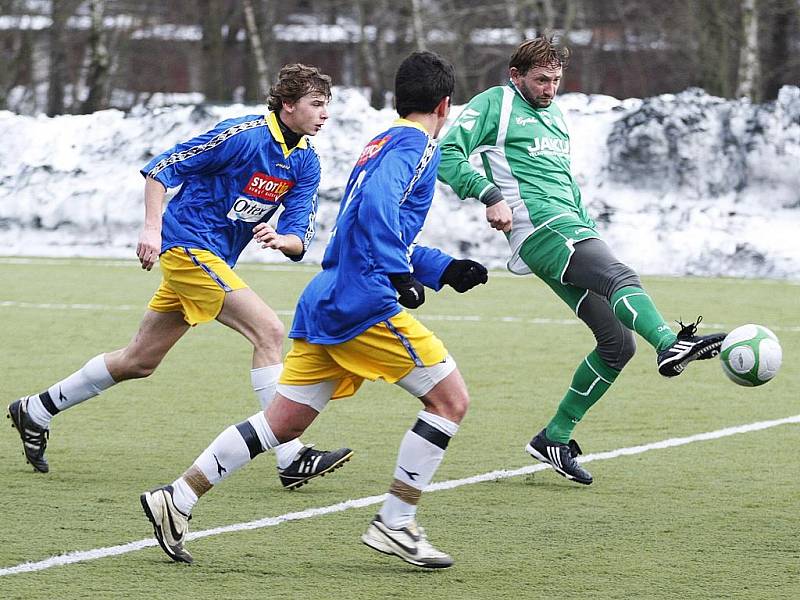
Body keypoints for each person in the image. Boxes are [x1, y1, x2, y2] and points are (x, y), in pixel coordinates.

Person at [140, 50, 488, 568]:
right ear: (445, 104)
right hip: (361, 303)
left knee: (282, 423)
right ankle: (395, 523)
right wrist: (396, 273)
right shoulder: (417, 144)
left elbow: (366, 224)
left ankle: (179, 497)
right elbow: (374, 217)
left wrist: (439, 268)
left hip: (328, 297)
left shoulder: (380, 143)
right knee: (449, 401)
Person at [7, 63, 352, 490]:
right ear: (288, 104)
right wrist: (151, 228)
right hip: (188, 248)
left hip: (213, 261)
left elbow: (301, 232)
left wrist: (284, 239)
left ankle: (36, 409)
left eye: (327, 105)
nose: (325, 114)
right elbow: (161, 170)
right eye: (316, 104)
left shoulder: (305, 162)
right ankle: (290, 453)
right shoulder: (242, 135)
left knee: (139, 360)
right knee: (268, 330)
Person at [437, 36, 726, 486]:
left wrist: (588, 226)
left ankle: (554, 437)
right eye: (540, 80)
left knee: (617, 345)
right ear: (516, 76)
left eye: (555, 79)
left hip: (570, 227)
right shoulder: (496, 104)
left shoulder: (554, 117)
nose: (550, 88)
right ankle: (671, 344)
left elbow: (566, 184)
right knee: (619, 277)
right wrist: (489, 195)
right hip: (540, 230)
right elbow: (447, 153)